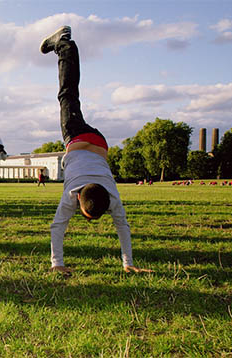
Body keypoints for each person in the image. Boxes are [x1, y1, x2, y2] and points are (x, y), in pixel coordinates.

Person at [41, 26, 152, 274]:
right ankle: (64, 44)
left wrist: (129, 263)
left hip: (100, 144)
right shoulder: (71, 195)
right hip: (78, 139)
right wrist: (56, 264)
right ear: (79, 198)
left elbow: (124, 227)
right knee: (67, 94)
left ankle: (66, 47)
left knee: (72, 96)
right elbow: (56, 228)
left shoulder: (112, 197)